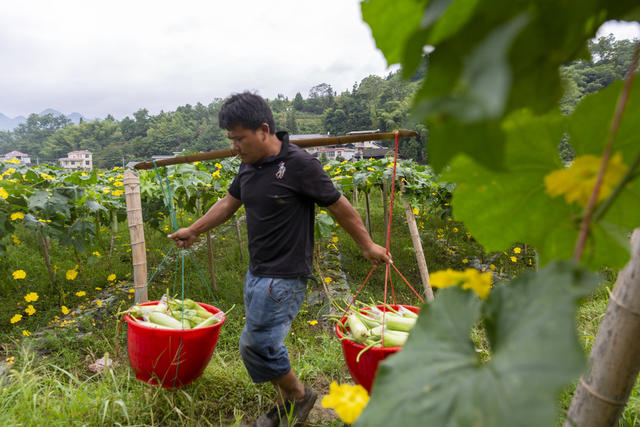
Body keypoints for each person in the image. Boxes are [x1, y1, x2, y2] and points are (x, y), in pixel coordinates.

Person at [168, 92, 391, 426]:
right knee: (265, 343)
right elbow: (229, 203)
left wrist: (367, 245)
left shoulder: (299, 165)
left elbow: (339, 206)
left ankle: (301, 396)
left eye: (239, 138)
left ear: (263, 129)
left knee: (256, 345)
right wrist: (195, 230)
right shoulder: (249, 166)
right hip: (257, 271)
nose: (235, 147)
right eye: (230, 139)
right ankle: (287, 408)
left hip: (285, 276)